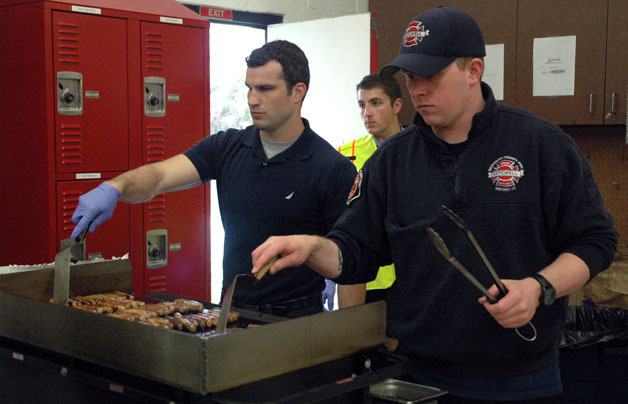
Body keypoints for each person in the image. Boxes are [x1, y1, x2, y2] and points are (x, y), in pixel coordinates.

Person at [251, 6, 618, 402]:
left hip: (522, 380)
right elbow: (354, 252)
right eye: (411, 77)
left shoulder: (540, 145)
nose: (418, 90)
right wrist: (312, 247)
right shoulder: (392, 161)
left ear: (474, 70)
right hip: (418, 378)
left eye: (432, 75)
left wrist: (538, 287)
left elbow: (595, 241)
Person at [71, 40, 356, 318]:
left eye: (265, 89)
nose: (252, 100)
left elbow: (351, 262)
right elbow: (160, 176)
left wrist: (349, 342)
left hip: (296, 322)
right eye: (249, 88)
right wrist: (116, 187)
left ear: (297, 92)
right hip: (232, 314)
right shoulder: (227, 147)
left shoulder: (331, 168)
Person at [333, 74, 403, 308]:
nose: (367, 113)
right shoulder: (346, 154)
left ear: (396, 105)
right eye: (362, 105)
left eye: (376, 103)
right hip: (361, 275)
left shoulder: (419, 150)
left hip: (406, 274)